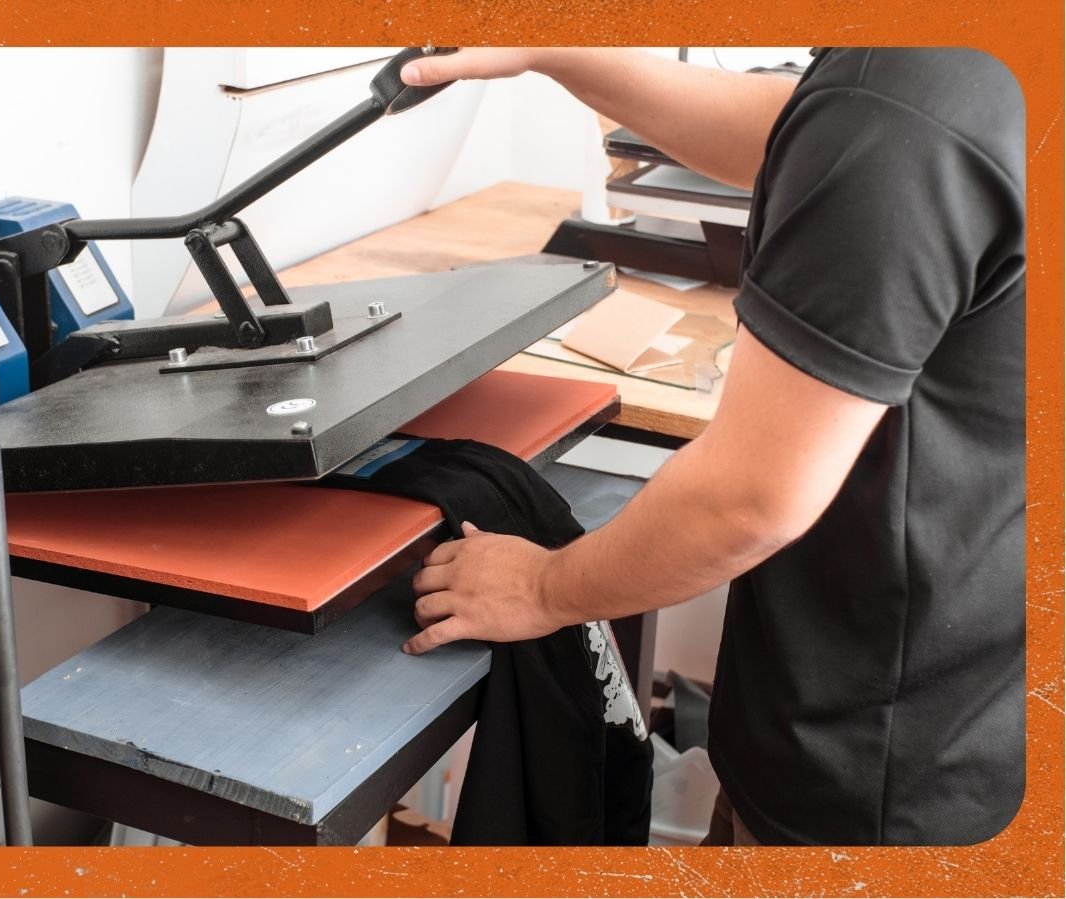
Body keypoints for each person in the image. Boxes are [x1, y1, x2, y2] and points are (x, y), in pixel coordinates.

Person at [399, 48, 1026, 846]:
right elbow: (788, 127)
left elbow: (748, 500)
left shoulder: (907, 88)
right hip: (979, 718)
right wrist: (555, 48)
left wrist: (544, 586)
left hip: (879, 784)